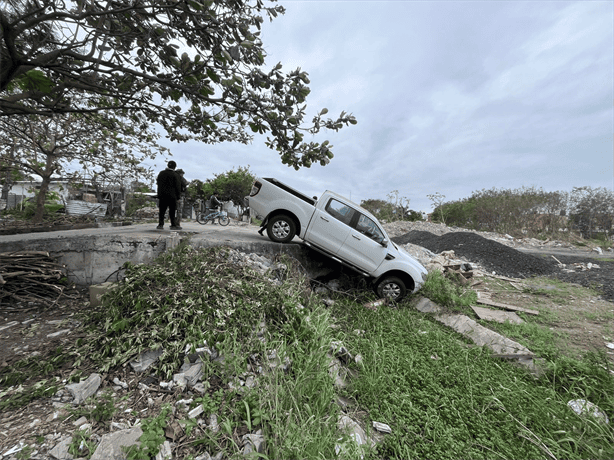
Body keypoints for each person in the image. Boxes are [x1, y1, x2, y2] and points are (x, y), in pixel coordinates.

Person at [156, 160, 182, 230]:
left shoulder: (161, 173)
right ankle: (173, 225)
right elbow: (178, 187)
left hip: (162, 196)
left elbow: (158, 184)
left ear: (167, 165)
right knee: (172, 211)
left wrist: (159, 194)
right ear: (174, 167)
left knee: (162, 211)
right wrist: (178, 197)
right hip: (172, 196)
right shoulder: (175, 175)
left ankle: (160, 224)